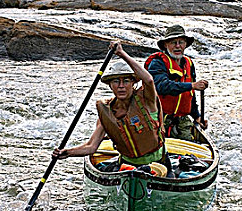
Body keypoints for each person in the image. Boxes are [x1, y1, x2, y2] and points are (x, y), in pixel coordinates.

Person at [53, 41, 169, 171]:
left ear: (133, 84)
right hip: (127, 166)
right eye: (115, 81)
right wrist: (68, 152)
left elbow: (149, 80)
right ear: (110, 85)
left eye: (125, 81)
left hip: (158, 164)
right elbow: (91, 147)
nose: (121, 86)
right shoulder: (107, 112)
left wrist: (121, 53)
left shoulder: (147, 101)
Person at [144, 24, 208, 141]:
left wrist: (197, 116)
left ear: (185, 45)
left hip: (181, 120)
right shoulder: (157, 63)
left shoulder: (189, 63)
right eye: (173, 42)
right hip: (159, 119)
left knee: (190, 150)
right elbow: (161, 86)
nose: (178, 46)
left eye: (181, 42)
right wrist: (192, 85)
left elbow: (190, 95)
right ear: (165, 45)